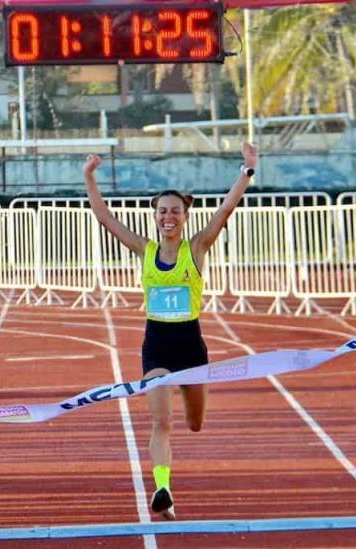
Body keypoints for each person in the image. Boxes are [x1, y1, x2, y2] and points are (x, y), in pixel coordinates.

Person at [83, 143, 258, 520]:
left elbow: (226, 210)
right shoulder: (144, 250)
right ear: (155, 216)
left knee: (194, 424)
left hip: (191, 348)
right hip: (158, 348)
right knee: (161, 421)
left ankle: (171, 469)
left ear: (185, 216)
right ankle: (163, 487)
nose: (168, 217)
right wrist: (89, 177)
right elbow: (105, 219)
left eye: (175, 211)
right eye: (162, 211)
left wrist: (247, 170)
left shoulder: (196, 248)